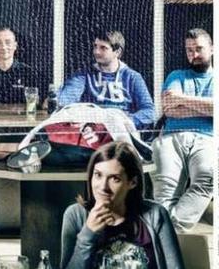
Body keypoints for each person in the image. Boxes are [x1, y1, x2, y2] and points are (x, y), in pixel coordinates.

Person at [60, 142, 183, 269]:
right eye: (98, 175)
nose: (103, 187)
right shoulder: (75, 215)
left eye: (115, 178)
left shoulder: (156, 214)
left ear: (133, 182)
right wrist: (88, 234)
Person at [152, 28, 214, 232]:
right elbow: (169, 109)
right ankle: (165, 240)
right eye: (189, 50)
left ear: (212, 49)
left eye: (199, 49)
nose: (194, 55)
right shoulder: (176, 75)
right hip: (172, 138)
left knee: (208, 179)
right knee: (165, 189)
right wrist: (207, 109)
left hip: (208, 139)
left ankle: (169, 232)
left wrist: (182, 101)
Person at [57, 31, 155, 130]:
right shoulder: (83, 75)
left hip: (121, 131)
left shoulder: (133, 77)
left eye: (103, 48)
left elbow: (149, 112)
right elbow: (65, 101)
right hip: (92, 131)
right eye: (95, 46)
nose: (96, 52)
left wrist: (124, 121)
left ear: (117, 52)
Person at [0, 27, 40, 104]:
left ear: (15, 45)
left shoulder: (29, 73)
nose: (3, 47)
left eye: (8, 42)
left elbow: (39, 104)